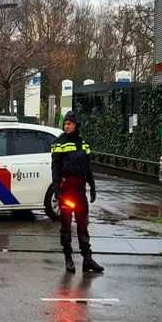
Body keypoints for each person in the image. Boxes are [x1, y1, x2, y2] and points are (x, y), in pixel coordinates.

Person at [51, 111, 103, 274]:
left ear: (75, 124)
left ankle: (87, 259)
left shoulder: (83, 143)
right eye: (65, 123)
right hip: (66, 190)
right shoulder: (59, 143)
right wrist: (56, 189)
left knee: (82, 224)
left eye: (69, 123)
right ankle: (68, 258)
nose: (66, 126)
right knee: (66, 226)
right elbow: (55, 167)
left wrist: (92, 186)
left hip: (80, 190)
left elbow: (88, 167)